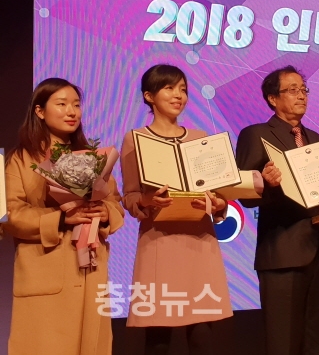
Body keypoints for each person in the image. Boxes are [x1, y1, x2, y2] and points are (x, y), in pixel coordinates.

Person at [3, 77, 124, 355]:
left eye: (76, 105)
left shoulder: (94, 157)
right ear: (39, 111)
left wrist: (105, 212)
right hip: (45, 272)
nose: (72, 112)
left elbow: (115, 202)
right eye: (62, 104)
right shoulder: (19, 159)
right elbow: (10, 215)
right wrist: (60, 219)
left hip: (90, 271)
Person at [120, 65, 233, 354]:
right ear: (149, 96)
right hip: (160, 242)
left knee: (202, 335)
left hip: (199, 240)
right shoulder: (136, 139)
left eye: (183, 89)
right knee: (159, 337)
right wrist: (148, 201)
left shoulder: (200, 138)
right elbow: (130, 196)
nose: (178, 95)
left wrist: (219, 204)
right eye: (169, 88)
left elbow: (218, 193)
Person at [235, 65, 319, 355]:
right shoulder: (256, 134)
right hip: (282, 252)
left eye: (304, 90)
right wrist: (267, 184)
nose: (301, 96)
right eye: (292, 90)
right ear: (273, 98)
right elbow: (245, 195)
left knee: (318, 342)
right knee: (283, 341)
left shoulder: (317, 140)